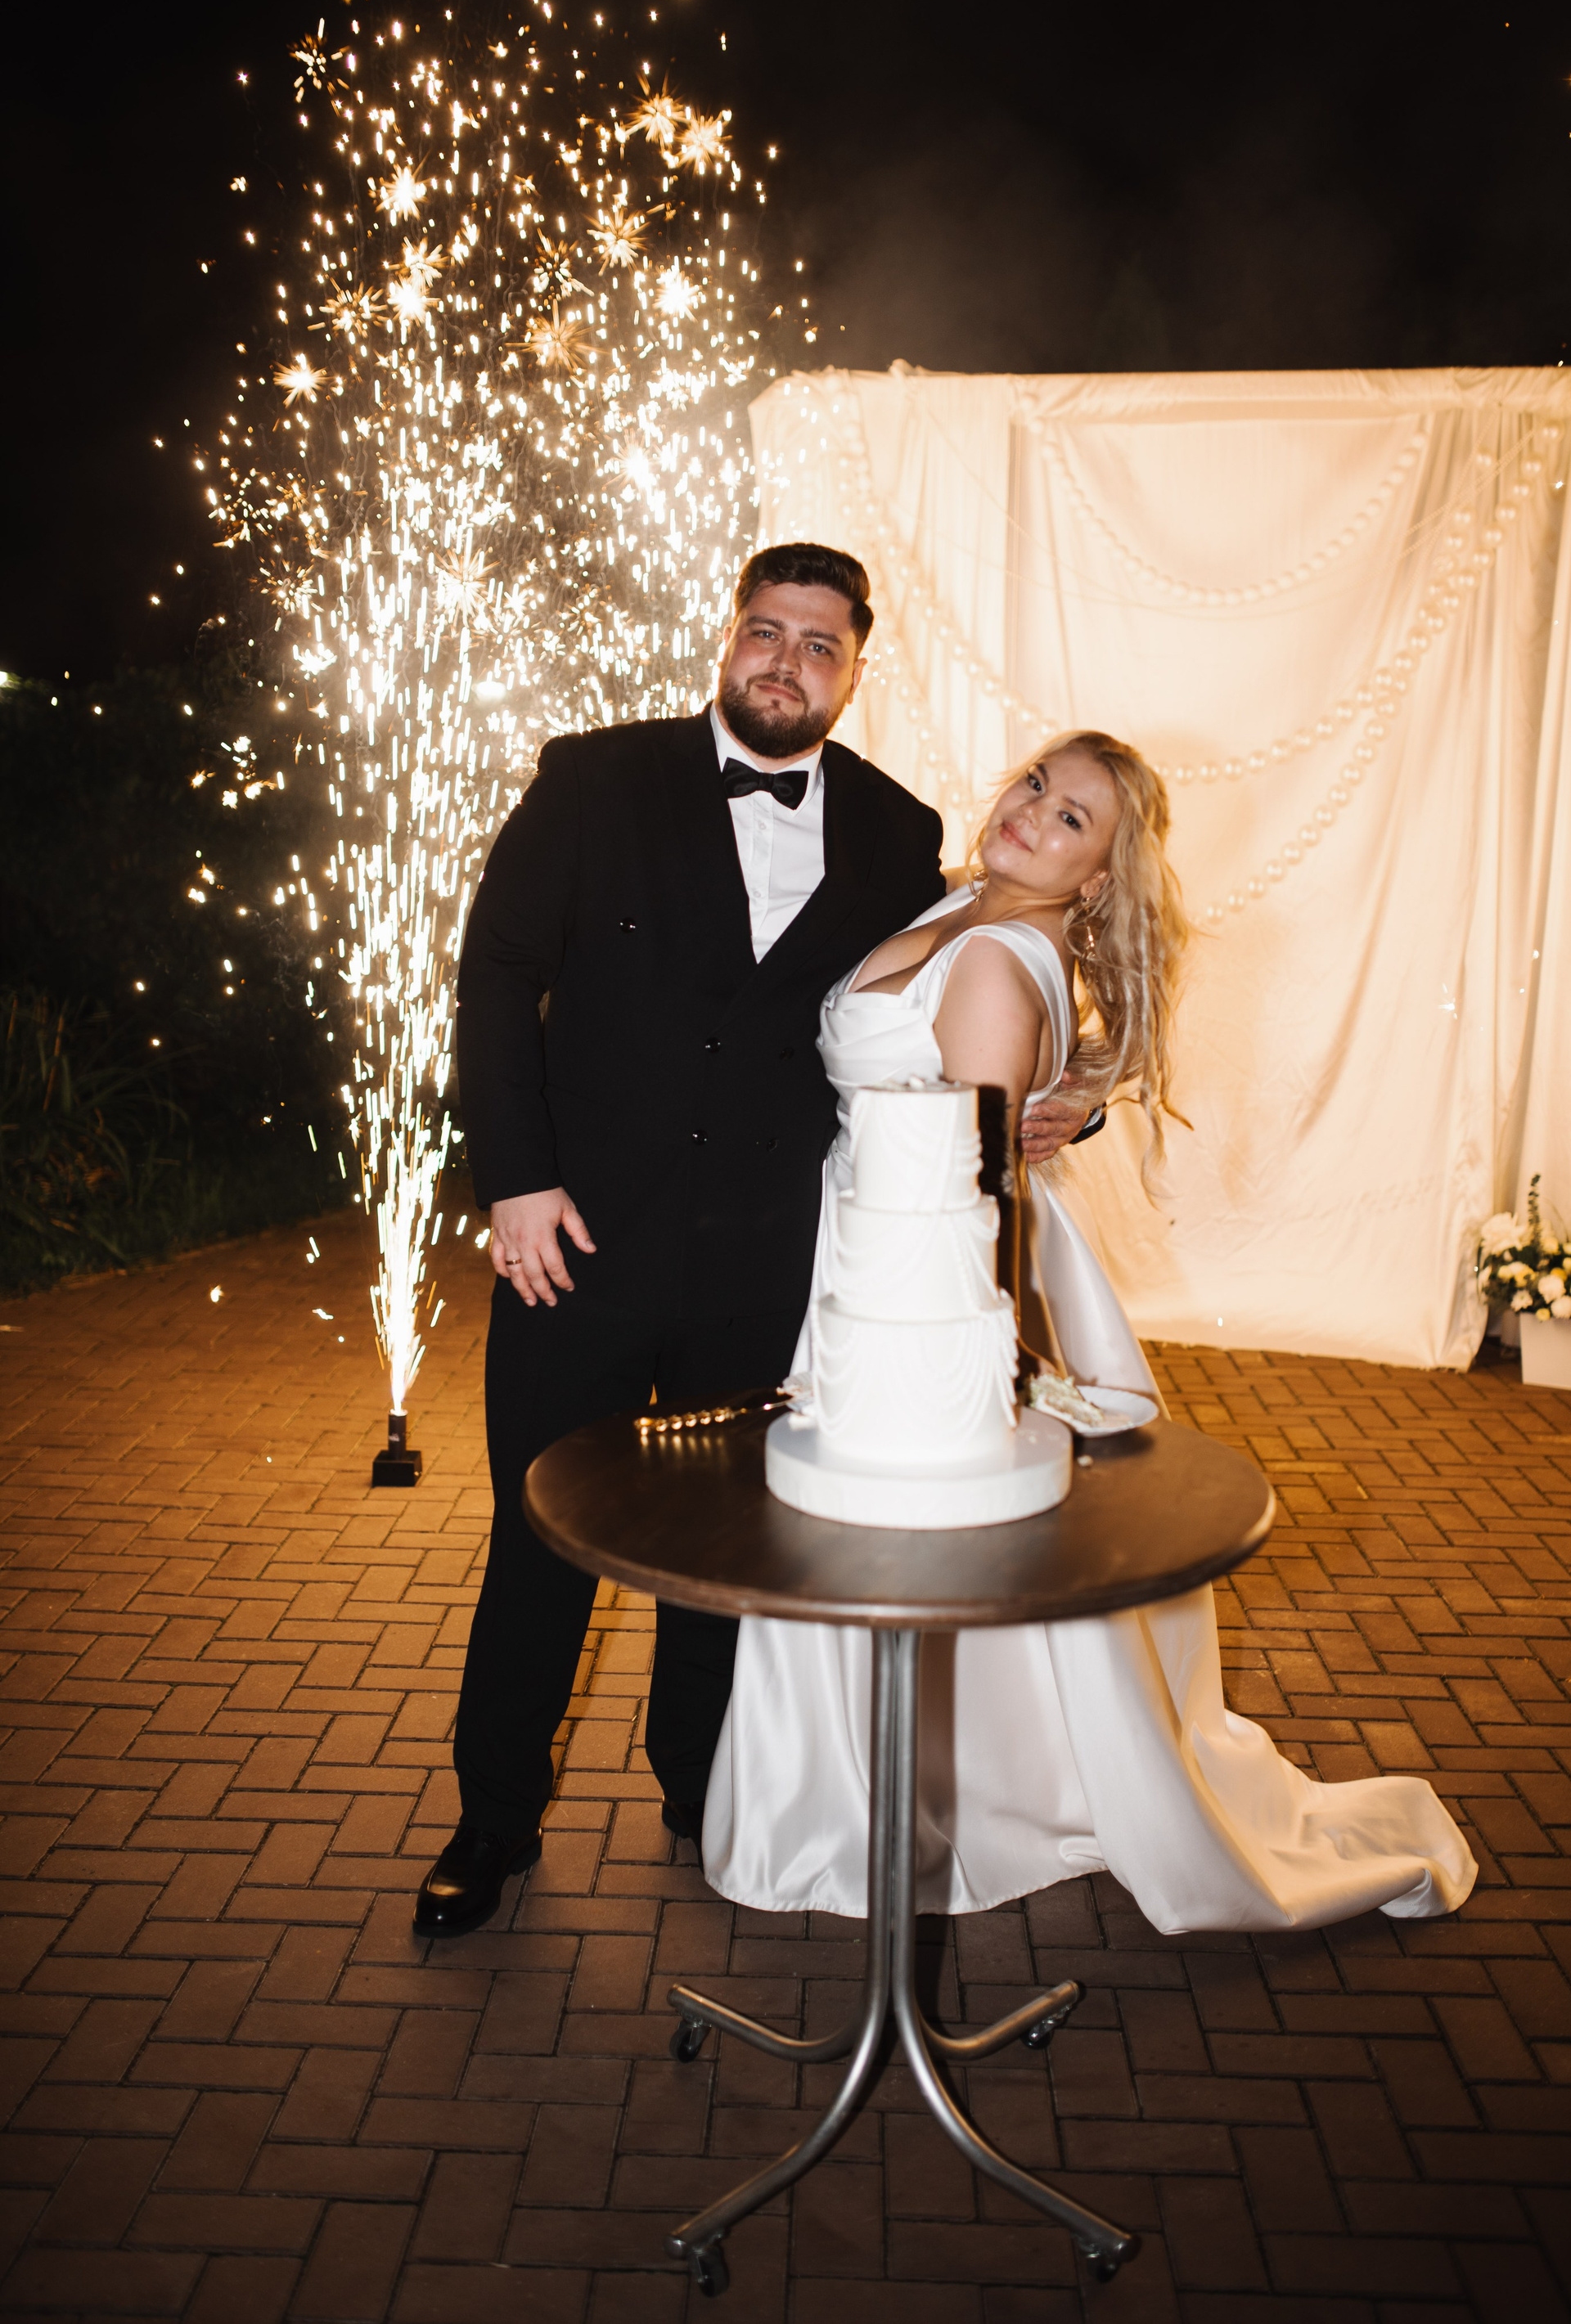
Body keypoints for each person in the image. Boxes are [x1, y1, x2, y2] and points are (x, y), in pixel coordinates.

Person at [704, 730, 1477, 1932]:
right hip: (868, 1249)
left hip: (925, 1282)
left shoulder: (996, 959)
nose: (1033, 814)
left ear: (1101, 877)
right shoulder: (966, 903)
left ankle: (947, 1800)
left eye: (1073, 819)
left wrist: (984, 1356)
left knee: (915, 1533)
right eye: (1036, 785)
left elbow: (978, 1190)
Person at [421, 542, 1020, 1937]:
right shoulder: (594, 778)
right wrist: (515, 1181)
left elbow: (945, 1006)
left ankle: (702, 1792)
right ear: (729, 635)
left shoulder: (896, 829)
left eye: (819, 645)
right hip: (574, 1243)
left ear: (855, 669)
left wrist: (1058, 1099)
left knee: (725, 1548)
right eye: (767, 631)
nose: (786, 663)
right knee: (539, 1535)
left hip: (766, 1261)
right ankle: (493, 1819)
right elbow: (497, 975)